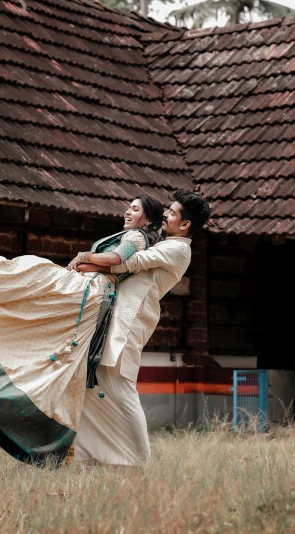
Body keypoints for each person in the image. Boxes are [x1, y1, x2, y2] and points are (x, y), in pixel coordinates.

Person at [0, 195, 164, 466]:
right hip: (91, 287)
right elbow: (110, 264)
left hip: (92, 293)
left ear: (147, 219)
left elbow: (114, 259)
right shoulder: (133, 237)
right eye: (129, 207)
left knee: (34, 274)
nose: (128, 212)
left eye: (135, 209)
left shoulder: (136, 238)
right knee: (37, 284)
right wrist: (85, 265)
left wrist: (82, 257)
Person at [73, 189, 210, 466]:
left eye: (171, 213)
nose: (165, 215)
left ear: (185, 225)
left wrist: (84, 259)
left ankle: (139, 459)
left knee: (121, 384)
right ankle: (91, 455)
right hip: (119, 316)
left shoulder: (177, 249)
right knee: (94, 381)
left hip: (132, 320)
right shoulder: (165, 244)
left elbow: (127, 263)